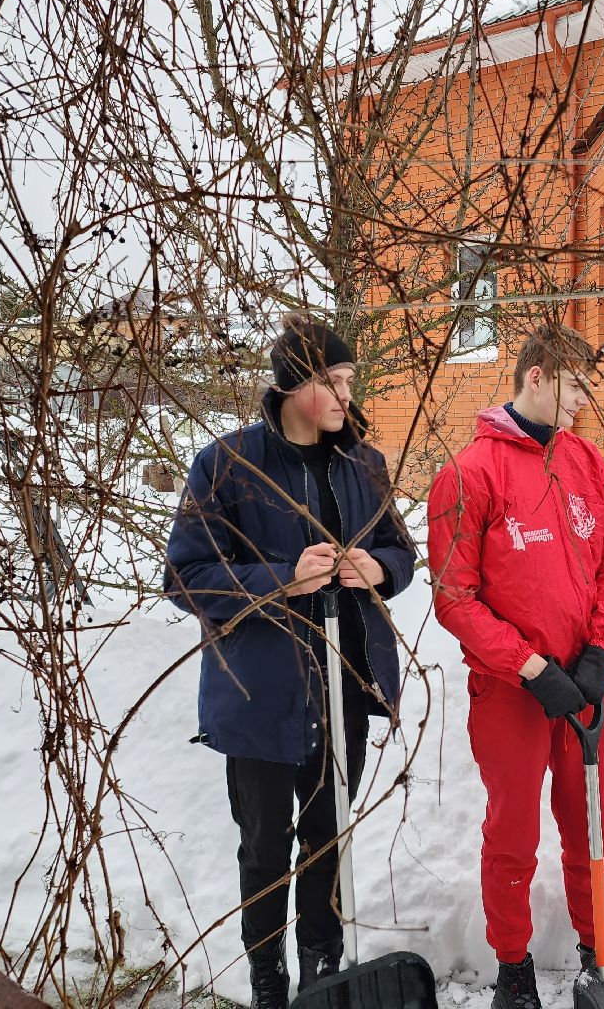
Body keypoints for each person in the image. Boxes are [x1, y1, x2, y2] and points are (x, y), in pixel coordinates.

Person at [163, 315, 415, 1009]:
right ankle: (269, 982)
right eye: (332, 381)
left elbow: (402, 550)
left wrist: (380, 568)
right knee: (266, 853)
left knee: (328, 842)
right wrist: (279, 579)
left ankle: (323, 976)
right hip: (262, 696)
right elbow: (186, 576)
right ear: (295, 385)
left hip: (345, 685)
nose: (344, 396)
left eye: (347, 381)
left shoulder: (363, 464)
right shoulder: (228, 463)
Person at [427, 323, 604, 1009]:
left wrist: (600, 653)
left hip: (585, 686)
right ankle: (513, 971)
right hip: (512, 692)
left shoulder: (585, 464)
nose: (585, 401)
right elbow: (455, 600)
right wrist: (530, 668)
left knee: (588, 827)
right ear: (538, 376)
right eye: (577, 385)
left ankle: (596, 953)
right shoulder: (468, 474)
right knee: (513, 835)